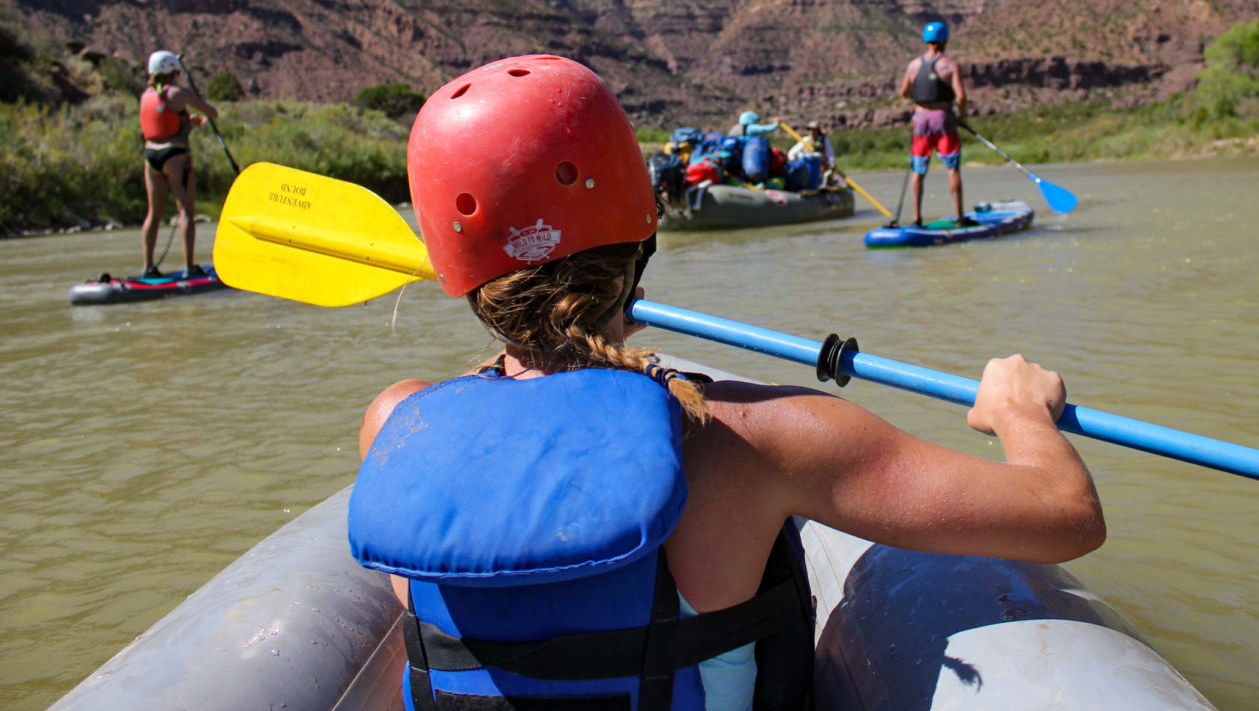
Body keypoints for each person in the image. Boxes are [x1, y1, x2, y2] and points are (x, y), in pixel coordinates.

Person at [350, 55, 1104, 711]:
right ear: (640, 235)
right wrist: (1021, 411)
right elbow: (1064, 515)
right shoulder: (750, 440)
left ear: (459, 274)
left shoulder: (395, 422)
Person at [139, 50, 219, 278]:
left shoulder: (145, 95)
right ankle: (189, 267)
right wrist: (195, 117)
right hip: (175, 156)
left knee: (153, 213)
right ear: (171, 71)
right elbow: (212, 112)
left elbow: (161, 123)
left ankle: (148, 267)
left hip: (151, 156)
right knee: (185, 211)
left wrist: (186, 122)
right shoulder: (179, 94)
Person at [897, 20, 968, 225]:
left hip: (920, 122)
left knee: (918, 170)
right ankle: (959, 217)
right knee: (952, 169)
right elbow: (961, 97)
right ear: (945, 40)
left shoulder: (913, 65)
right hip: (943, 120)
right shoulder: (950, 65)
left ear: (926, 41)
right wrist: (962, 118)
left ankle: (917, 218)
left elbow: (904, 92)